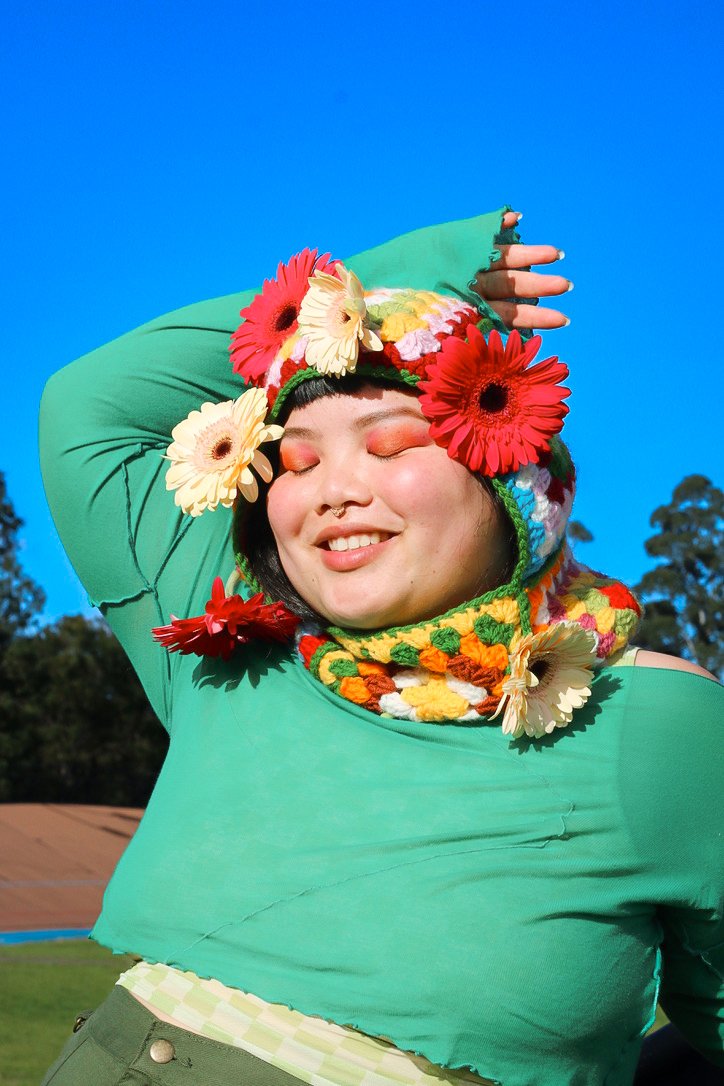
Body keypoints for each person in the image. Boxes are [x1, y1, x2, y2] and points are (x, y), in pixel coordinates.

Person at [39, 208, 723, 1086]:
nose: (334, 491)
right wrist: (358, 298)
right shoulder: (226, 637)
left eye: (394, 443)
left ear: (513, 477)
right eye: (295, 461)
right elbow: (88, 404)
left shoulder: (657, 721)